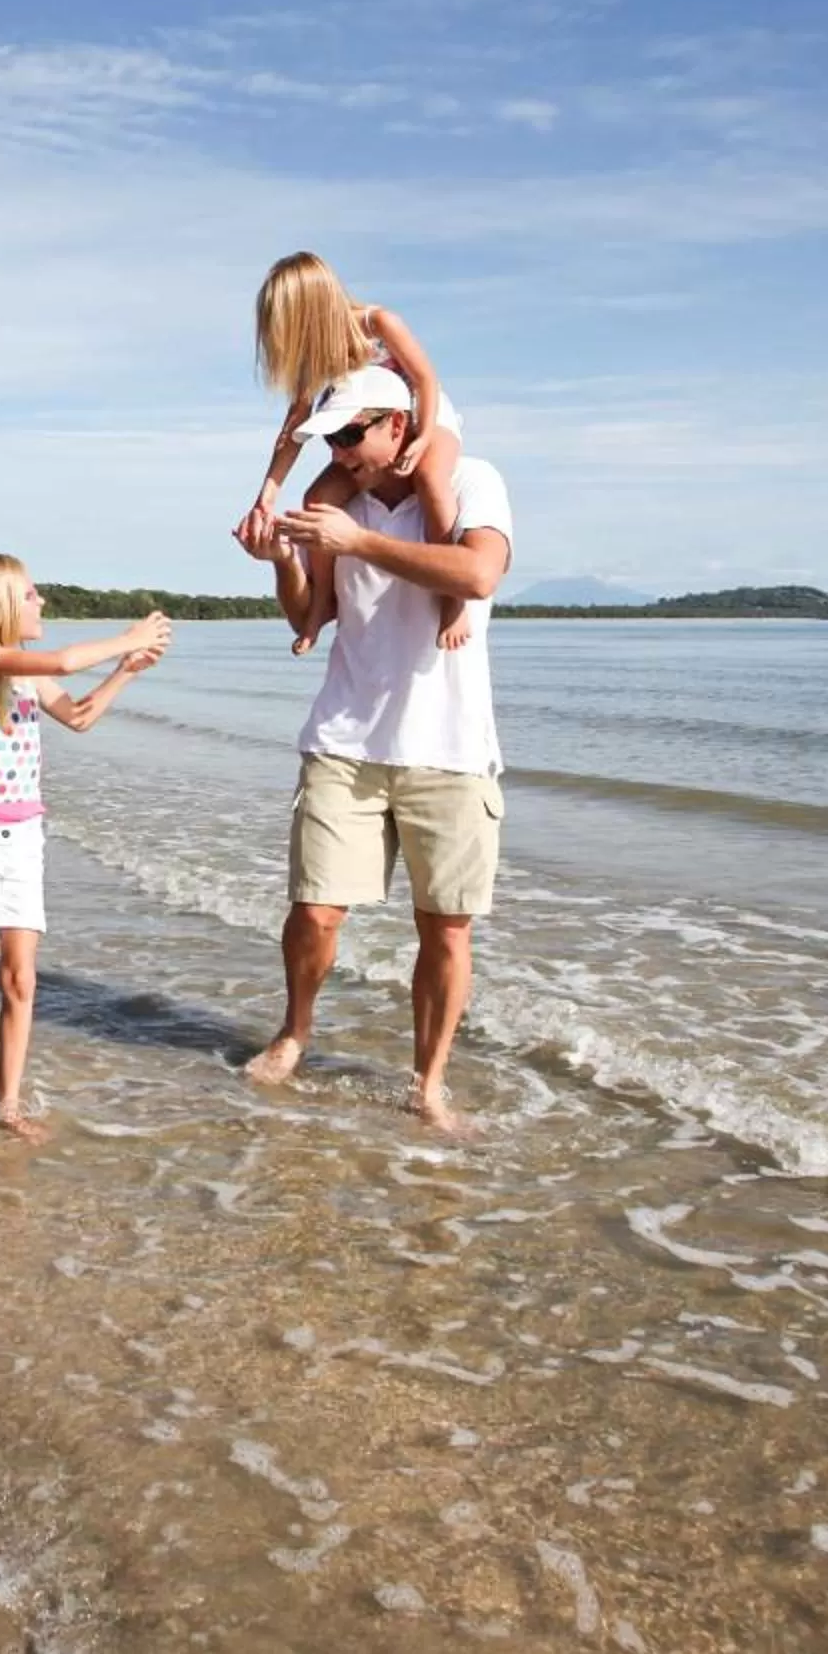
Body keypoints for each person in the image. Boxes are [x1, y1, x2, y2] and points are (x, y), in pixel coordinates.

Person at [244, 363, 513, 1132]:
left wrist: (358, 537)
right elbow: (310, 616)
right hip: (345, 738)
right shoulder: (338, 501)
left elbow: (478, 571)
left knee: (446, 927)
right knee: (316, 913)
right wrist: (284, 561)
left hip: (452, 748)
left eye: (353, 433)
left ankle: (428, 1083)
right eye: (333, 436)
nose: (342, 449)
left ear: (400, 424)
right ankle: (295, 1030)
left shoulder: (472, 480)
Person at [0, 557, 169, 1141]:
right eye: (31, 595)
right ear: (0, 604)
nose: (42, 604)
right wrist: (127, 635)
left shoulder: (27, 676)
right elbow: (62, 659)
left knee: (21, 979)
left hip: (24, 837)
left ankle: (8, 1103)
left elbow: (78, 716)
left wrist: (127, 669)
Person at [233, 250, 477, 653]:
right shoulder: (314, 363)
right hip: (362, 433)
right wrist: (266, 496)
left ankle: (453, 600)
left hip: (424, 415)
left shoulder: (377, 323)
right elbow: (291, 432)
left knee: (431, 479)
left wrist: (423, 435)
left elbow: (426, 379)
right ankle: (319, 608)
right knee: (317, 500)